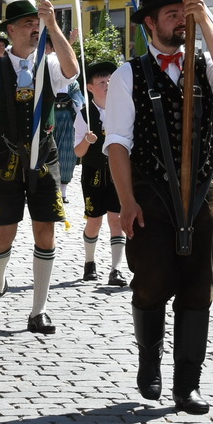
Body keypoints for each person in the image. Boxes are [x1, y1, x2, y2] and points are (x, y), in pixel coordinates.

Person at [105, 0, 213, 416]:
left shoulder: (204, 64)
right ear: (150, 22)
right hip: (151, 190)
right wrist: (127, 201)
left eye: (183, 13)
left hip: (204, 190)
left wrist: (204, 20)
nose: (179, 20)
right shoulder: (129, 74)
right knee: (151, 282)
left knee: (198, 286)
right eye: (172, 14)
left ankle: (188, 384)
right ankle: (150, 362)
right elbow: (116, 144)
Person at [0, 0, 78, 334]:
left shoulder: (51, 63)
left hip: (44, 159)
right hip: (5, 160)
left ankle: (38, 311)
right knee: (4, 235)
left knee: (45, 231)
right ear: (10, 30)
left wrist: (54, 27)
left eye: (36, 22)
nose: (33, 28)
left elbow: (73, 71)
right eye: (27, 23)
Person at [72, 60, 125, 286]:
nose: (106, 85)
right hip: (93, 173)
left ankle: (116, 269)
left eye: (109, 81)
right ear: (90, 87)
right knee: (94, 221)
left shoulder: (123, 109)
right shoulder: (84, 115)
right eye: (101, 82)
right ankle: (90, 262)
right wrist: (87, 140)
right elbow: (78, 151)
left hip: (118, 172)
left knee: (117, 219)